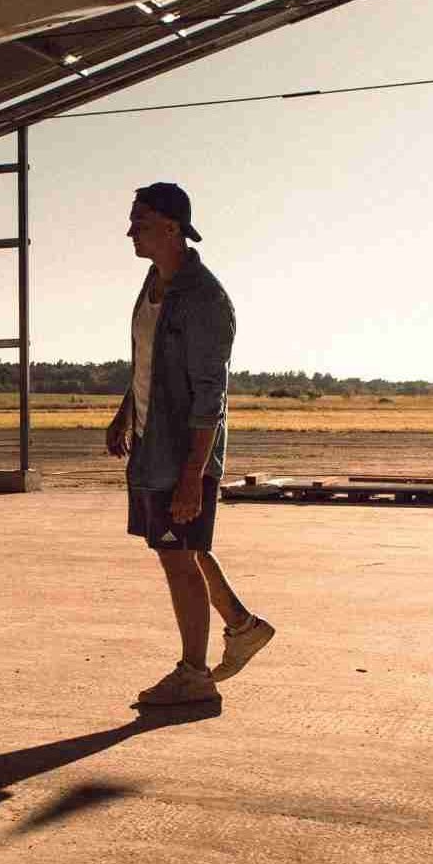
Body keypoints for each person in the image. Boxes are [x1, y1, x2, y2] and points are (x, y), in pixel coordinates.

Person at [106, 183, 274, 706]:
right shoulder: (153, 282)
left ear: (172, 227)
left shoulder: (204, 300)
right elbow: (149, 363)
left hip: (184, 453)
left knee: (178, 557)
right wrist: (124, 413)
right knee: (185, 549)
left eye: (141, 220)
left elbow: (210, 397)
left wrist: (192, 476)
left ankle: (194, 674)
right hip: (152, 443)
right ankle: (243, 627)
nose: (130, 229)